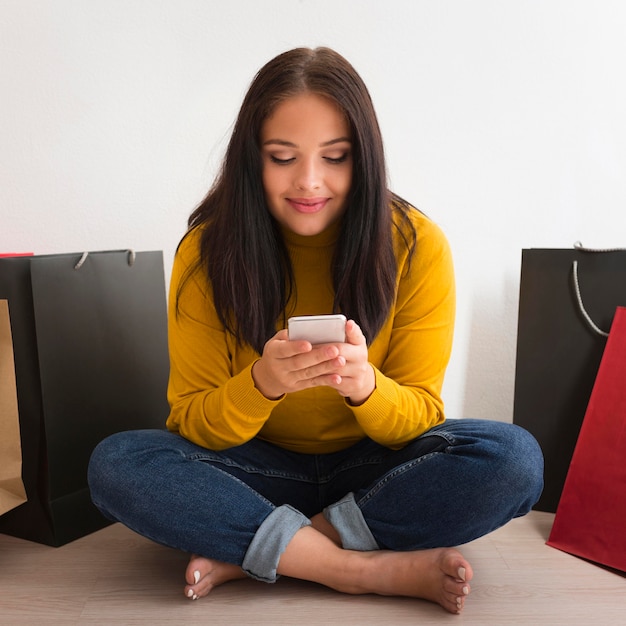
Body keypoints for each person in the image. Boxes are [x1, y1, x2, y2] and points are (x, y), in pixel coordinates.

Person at [88, 47, 543, 615]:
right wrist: (261, 384)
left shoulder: (416, 244)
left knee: (513, 459)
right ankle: (354, 569)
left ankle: (271, 549)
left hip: (372, 472)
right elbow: (192, 421)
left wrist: (366, 388)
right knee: (117, 463)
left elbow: (422, 416)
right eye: (283, 157)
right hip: (256, 469)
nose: (309, 181)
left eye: (335, 157)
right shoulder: (207, 251)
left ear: (364, 160)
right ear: (252, 158)